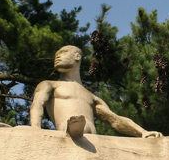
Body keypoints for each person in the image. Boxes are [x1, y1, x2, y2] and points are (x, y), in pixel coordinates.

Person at [30, 45, 162, 139]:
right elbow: (37, 106)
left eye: (63, 52)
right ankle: (74, 128)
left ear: (77, 56)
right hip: (68, 132)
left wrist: (142, 132)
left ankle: (79, 128)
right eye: (56, 55)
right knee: (75, 123)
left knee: (86, 126)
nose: (57, 57)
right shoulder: (49, 85)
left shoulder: (90, 96)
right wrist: (36, 131)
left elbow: (114, 120)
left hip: (92, 140)